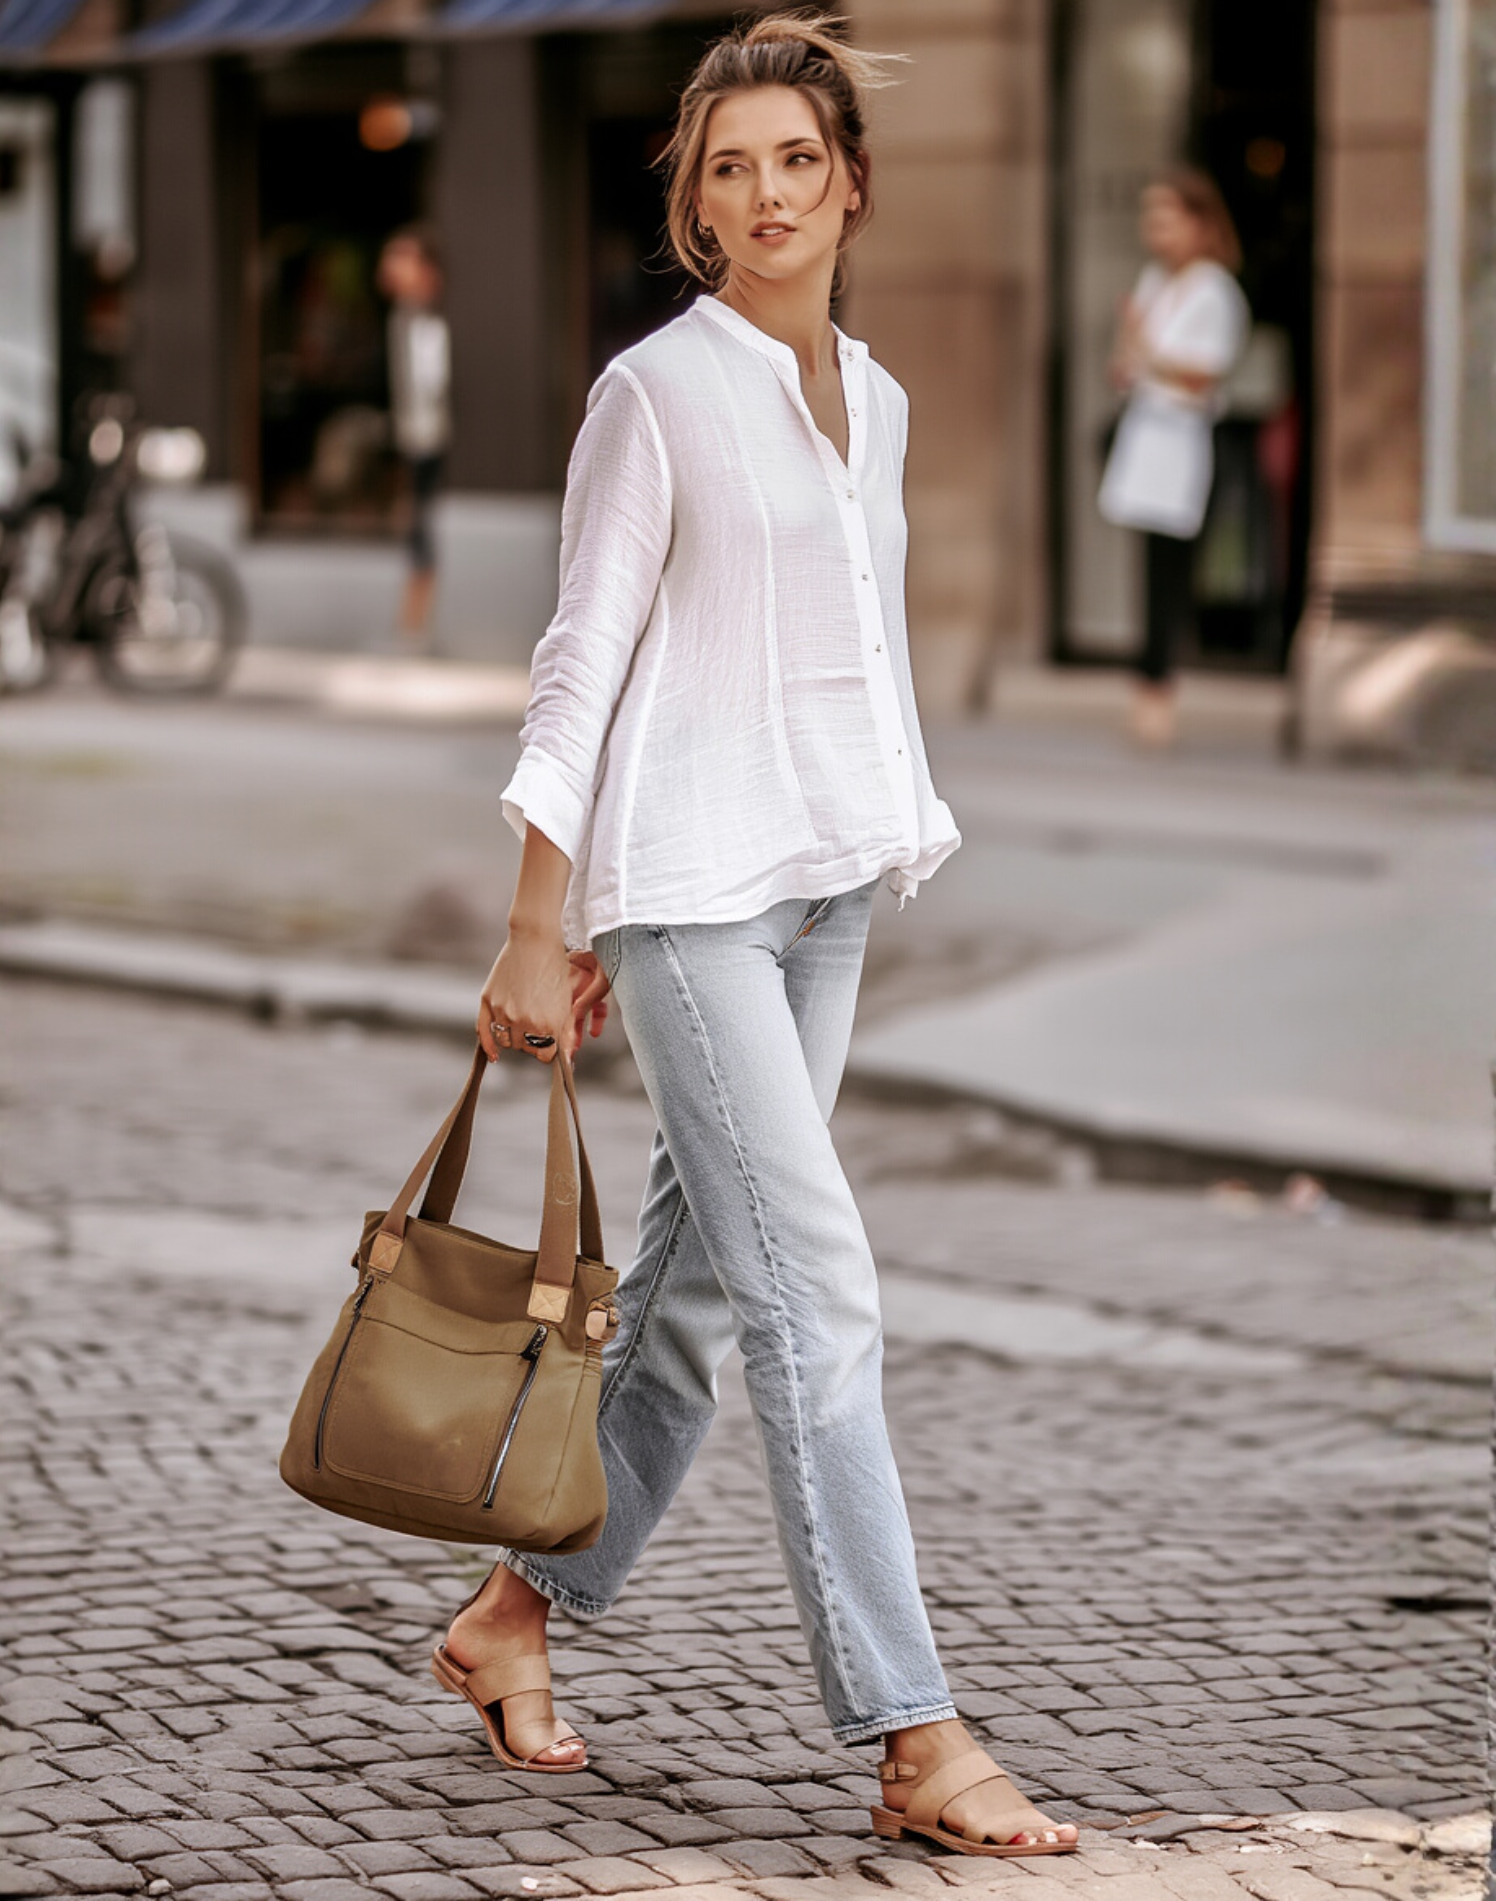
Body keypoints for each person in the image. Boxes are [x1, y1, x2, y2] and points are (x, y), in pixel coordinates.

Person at [434, 13, 1079, 1861]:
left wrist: (887, 835)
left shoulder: (872, 401)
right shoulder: (657, 392)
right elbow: (584, 659)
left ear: (850, 184)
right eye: (730, 168)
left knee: (702, 1306)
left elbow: (855, 651)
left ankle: (513, 1617)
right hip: (691, 894)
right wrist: (536, 917)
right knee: (818, 1298)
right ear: (694, 208)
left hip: (820, 893)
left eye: (798, 159)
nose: (768, 192)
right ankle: (914, 1733)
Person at [1098, 168, 1249, 748]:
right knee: (1151, 568)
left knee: (1170, 571)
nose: (1153, 229)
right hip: (1147, 437)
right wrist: (1134, 351)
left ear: (1200, 222)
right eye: (1149, 216)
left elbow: (1198, 376)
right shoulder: (1156, 280)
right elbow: (1131, 366)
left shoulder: (1215, 290)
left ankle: (1158, 691)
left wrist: (1142, 347)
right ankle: (1150, 688)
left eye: (1166, 216)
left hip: (1184, 443)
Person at [377, 226, 451, 646]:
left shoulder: (430, 318)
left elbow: (432, 383)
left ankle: (415, 625)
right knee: (417, 529)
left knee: (422, 529)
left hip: (432, 442)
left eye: (399, 257)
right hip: (415, 441)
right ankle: (412, 624)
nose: (390, 267)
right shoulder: (403, 317)